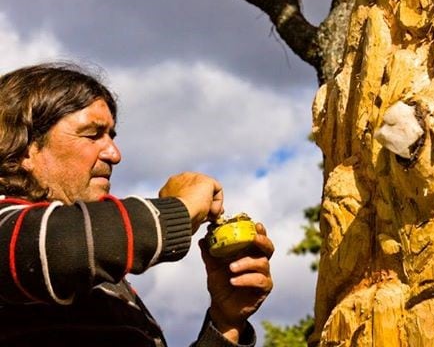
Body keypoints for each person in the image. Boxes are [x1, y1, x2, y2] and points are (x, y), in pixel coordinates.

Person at [0, 63, 274, 346]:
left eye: (111, 136)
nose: (114, 154)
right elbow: (61, 247)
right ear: (25, 147)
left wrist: (226, 322)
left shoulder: (111, 290)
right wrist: (177, 210)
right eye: (92, 135)